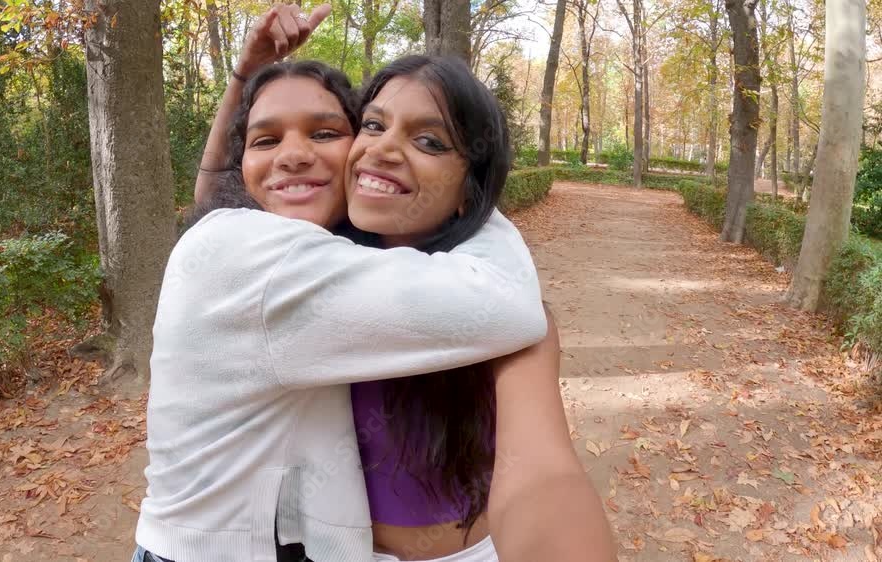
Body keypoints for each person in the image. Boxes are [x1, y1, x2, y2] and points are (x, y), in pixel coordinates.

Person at [181, 4, 616, 562]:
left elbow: (543, 475)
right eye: (373, 124)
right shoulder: (315, 263)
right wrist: (246, 74)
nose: (384, 149)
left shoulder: (499, 311)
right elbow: (220, 202)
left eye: (430, 142)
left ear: (470, 190)